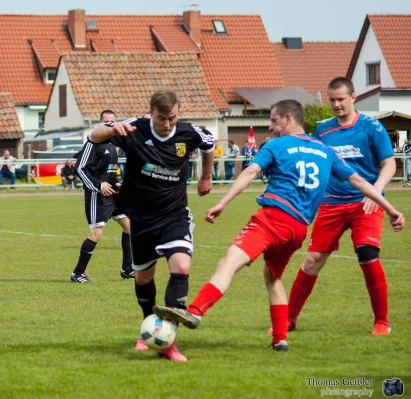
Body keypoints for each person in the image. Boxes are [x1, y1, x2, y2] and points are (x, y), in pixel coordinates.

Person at [153, 99, 405, 353]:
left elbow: (249, 173)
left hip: (273, 218)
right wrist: (391, 209)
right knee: (273, 277)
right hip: (298, 228)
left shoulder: (277, 145)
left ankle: (196, 310)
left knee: (228, 263)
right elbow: (359, 181)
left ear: (288, 118)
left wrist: (223, 202)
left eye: (274, 121)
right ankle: (280, 338)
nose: (271, 128)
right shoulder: (325, 151)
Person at [89, 90, 215, 362]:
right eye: (161, 119)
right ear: (151, 113)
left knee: (181, 266)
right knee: (144, 279)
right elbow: (92, 137)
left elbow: (209, 144)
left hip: (174, 215)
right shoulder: (134, 129)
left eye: (172, 118)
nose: (167, 124)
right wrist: (111, 129)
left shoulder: (188, 133)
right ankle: (149, 327)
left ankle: (169, 341)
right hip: (142, 218)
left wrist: (205, 177)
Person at [286, 77, 398, 336]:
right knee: (312, 260)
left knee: (367, 255)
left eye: (341, 99)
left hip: (365, 204)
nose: (336, 104)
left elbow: (389, 163)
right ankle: (288, 319)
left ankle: (382, 321)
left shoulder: (372, 127)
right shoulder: (323, 130)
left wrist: (376, 192)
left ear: (353, 97)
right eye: (332, 100)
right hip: (331, 204)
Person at [71, 109, 135, 283]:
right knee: (96, 233)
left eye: (112, 122)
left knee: (129, 227)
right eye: (106, 122)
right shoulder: (93, 143)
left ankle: (127, 269)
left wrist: (118, 183)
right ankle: (78, 273)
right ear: (99, 124)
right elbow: (80, 169)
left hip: (114, 194)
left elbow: (111, 171)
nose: (109, 125)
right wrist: (98, 185)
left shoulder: (115, 144)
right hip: (97, 195)